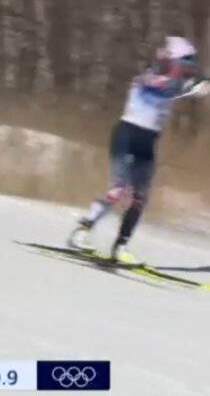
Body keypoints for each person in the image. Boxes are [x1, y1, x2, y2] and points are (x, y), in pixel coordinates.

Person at [67, 36, 208, 265]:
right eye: (183, 63)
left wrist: (198, 84)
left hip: (147, 141)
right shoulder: (148, 77)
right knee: (117, 190)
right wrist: (192, 86)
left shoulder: (174, 79)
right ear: (172, 60)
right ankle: (82, 231)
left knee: (140, 198)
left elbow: (185, 85)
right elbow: (165, 88)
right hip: (127, 135)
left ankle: (120, 246)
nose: (185, 69)